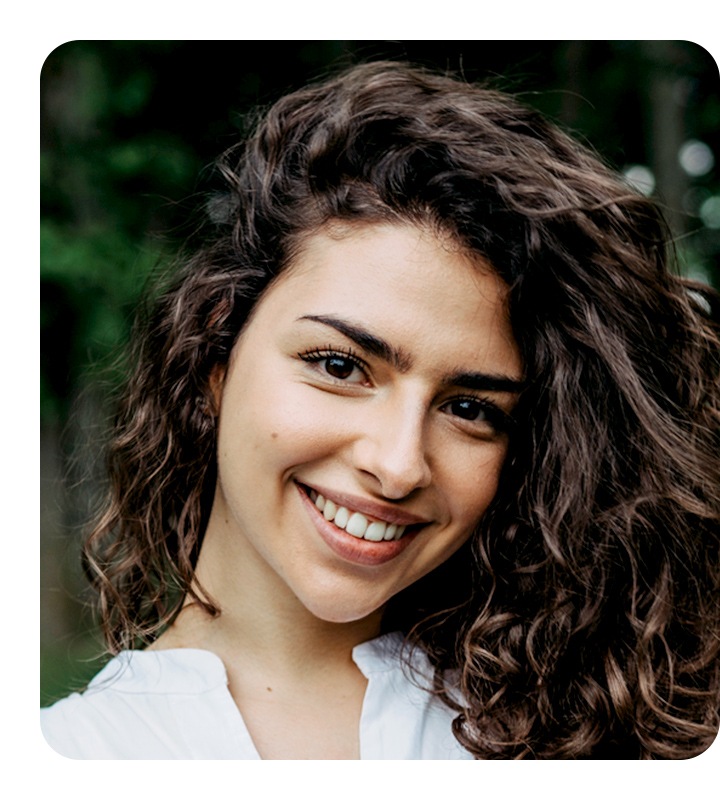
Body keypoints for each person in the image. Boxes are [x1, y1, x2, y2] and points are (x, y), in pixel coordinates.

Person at [41, 60, 720, 760]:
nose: (398, 467)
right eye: (339, 366)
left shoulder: (599, 739)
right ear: (217, 353)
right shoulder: (68, 756)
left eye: (469, 408)